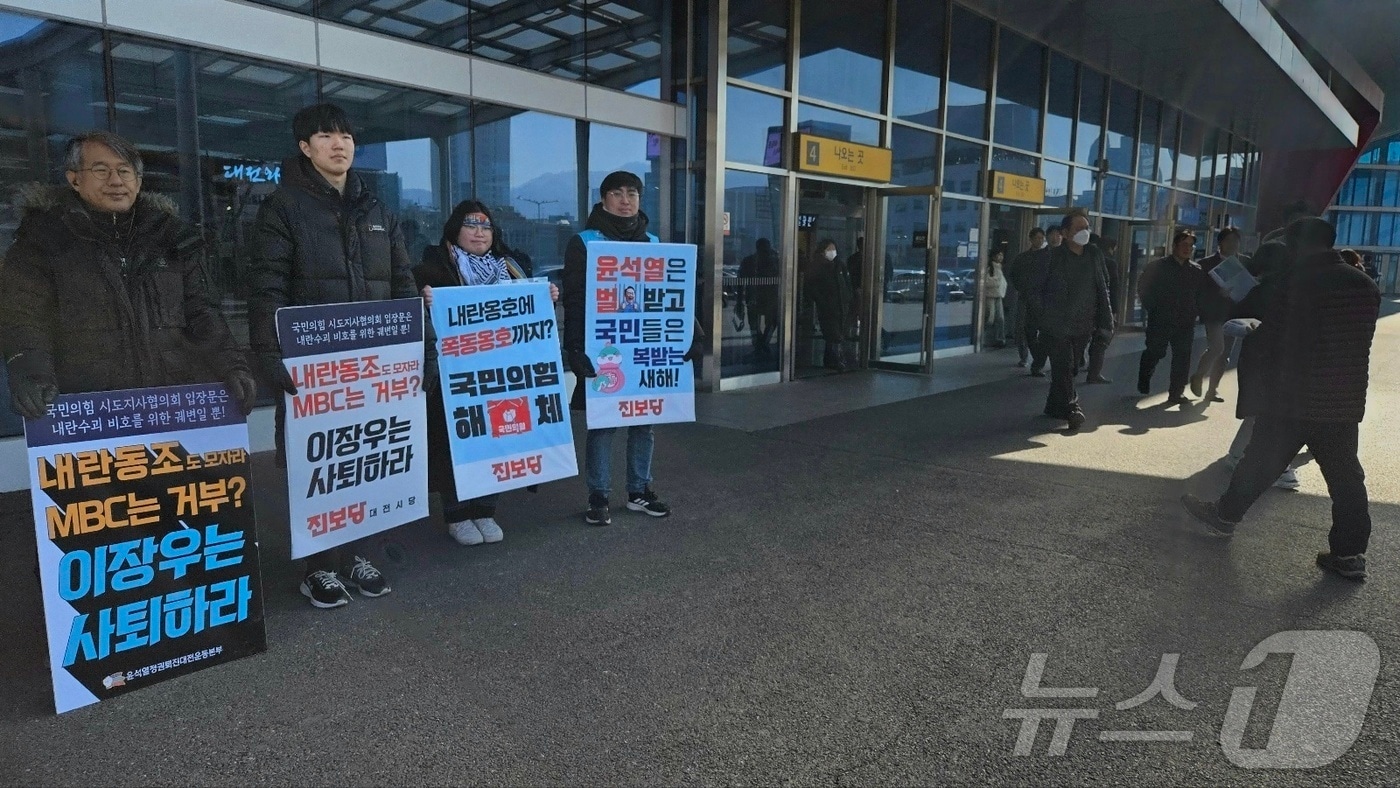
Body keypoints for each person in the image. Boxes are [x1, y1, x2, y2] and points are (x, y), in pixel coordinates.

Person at [248, 103, 430, 609]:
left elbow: (403, 286)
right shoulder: (281, 208)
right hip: (314, 368)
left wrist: (424, 352)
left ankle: (357, 554)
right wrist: (267, 350)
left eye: (345, 134)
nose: (339, 143)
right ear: (305, 147)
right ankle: (318, 566)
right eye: (325, 135)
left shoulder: (377, 209)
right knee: (318, 460)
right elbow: (266, 287)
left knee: (366, 460)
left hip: (372, 368)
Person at [2, 131, 256, 421]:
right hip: (90, 412)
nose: (116, 180)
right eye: (101, 170)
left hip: (169, 408)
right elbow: (23, 318)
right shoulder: (42, 242)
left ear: (138, 181)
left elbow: (201, 312)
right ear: (74, 179)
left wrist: (233, 365)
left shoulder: (172, 238)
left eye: (125, 171)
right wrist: (30, 372)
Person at [1182, 217, 1381, 581]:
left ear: (1300, 245)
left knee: (1258, 461)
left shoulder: (1296, 282)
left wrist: (1249, 327)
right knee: (1346, 479)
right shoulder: (1364, 284)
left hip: (1294, 394)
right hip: (1342, 398)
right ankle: (1350, 554)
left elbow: (1276, 334)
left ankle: (1225, 516)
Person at [562, 170, 703, 527]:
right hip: (604, 347)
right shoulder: (584, 242)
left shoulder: (654, 242)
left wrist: (692, 333)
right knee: (604, 424)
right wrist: (575, 348)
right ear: (603, 198)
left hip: (644, 346)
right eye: (617, 193)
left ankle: (639, 491)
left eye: (633, 194)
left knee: (644, 422)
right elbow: (576, 299)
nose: (626, 201)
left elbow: (673, 298)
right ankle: (599, 495)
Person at [415, 200, 559, 547]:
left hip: (502, 374)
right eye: (471, 225)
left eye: (486, 226)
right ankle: (457, 515)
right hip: (457, 377)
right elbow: (407, 312)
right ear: (454, 230)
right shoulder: (431, 270)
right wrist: (421, 301)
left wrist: (547, 297)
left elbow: (530, 315)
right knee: (455, 443)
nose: (479, 232)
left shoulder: (512, 267)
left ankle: (485, 509)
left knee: (499, 438)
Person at [1028, 210, 1112, 430]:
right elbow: (1034, 290)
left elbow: (1103, 287)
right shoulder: (1052, 257)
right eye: (1079, 228)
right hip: (1056, 325)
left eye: (1087, 228)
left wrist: (1106, 321)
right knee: (1064, 366)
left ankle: (1054, 406)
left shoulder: (1094, 254)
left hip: (1084, 323)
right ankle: (1073, 409)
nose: (1084, 232)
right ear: (1065, 233)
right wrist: (1044, 317)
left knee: (1072, 368)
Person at [1137, 230, 1205, 405]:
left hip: (1185, 321)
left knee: (1182, 357)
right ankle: (1145, 374)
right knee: (1155, 351)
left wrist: (1196, 311)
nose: (1187, 249)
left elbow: (1200, 294)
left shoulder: (1195, 270)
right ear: (1174, 246)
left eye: (1190, 246)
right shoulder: (1158, 267)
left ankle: (1176, 392)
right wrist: (1152, 307)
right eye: (1183, 245)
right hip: (1161, 319)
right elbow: (1143, 287)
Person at [1190, 227, 1248, 403]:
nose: (1233, 245)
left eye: (1236, 241)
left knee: (1225, 354)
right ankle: (1199, 375)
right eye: (1228, 240)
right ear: (1220, 242)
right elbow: (1198, 291)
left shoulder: (1245, 262)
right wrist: (1217, 293)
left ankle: (1212, 390)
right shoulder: (1206, 264)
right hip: (1214, 314)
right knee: (1217, 347)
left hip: (1235, 314)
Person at [807, 238, 856, 371]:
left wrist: (848, 297)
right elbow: (813, 287)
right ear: (822, 250)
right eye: (829, 249)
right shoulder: (818, 266)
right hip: (828, 307)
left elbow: (847, 283)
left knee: (837, 334)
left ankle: (831, 360)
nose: (832, 252)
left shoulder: (839, 265)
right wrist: (822, 301)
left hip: (841, 305)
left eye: (833, 249)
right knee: (834, 334)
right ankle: (836, 360)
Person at [1006, 227, 1050, 372]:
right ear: (1030, 239)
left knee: (1039, 329)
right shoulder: (1022, 258)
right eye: (1037, 238)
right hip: (1025, 297)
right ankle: (1024, 356)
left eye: (1042, 238)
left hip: (1041, 298)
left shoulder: (1048, 256)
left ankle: (1038, 358)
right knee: (1022, 327)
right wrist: (1021, 287)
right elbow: (1013, 274)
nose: (1040, 240)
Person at [1081, 236, 1121, 383]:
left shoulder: (1082, 261)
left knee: (1083, 337)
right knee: (1101, 340)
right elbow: (1113, 288)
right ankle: (1094, 372)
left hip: (1084, 307)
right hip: (1102, 307)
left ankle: (1081, 363)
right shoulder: (1109, 262)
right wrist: (1114, 309)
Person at [737, 238, 781, 358]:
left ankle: (760, 345)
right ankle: (761, 345)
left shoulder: (772, 261)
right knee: (759, 323)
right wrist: (739, 300)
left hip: (762, 297)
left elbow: (740, 282)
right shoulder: (770, 261)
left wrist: (739, 300)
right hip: (763, 297)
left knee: (759, 323)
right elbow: (740, 281)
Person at [982, 250, 1008, 348]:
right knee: (990, 319)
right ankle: (983, 338)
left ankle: (1000, 339)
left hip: (998, 295)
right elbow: (987, 281)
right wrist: (996, 282)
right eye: (998, 255)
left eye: (1002, 255)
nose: (1001, 257)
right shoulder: (990, 267)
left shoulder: (999, 267)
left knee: (1000, 318)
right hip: (990, 295)